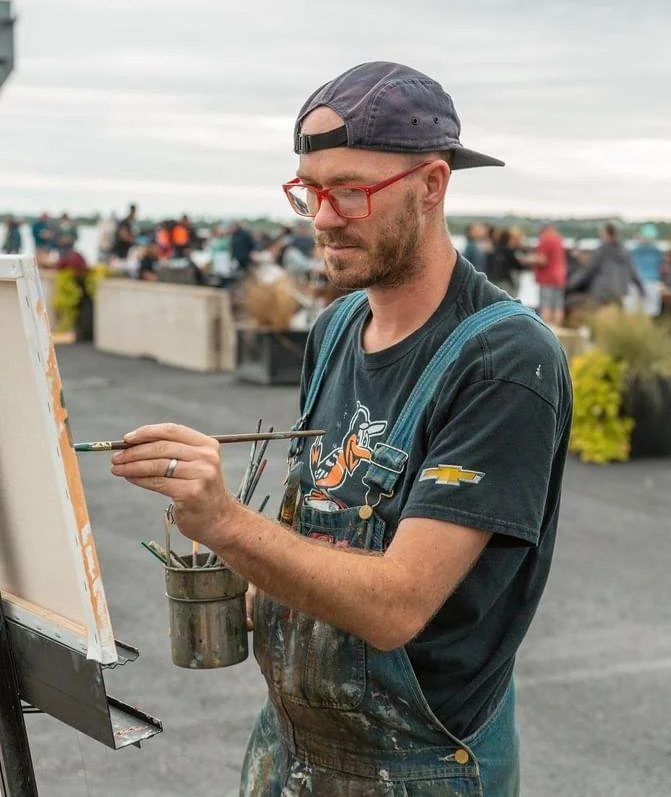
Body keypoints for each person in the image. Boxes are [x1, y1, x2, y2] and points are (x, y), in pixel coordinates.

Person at [110, 61, 572, 796]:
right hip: (291, 747)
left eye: (351, 191)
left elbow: (396, 604)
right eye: (309, 191)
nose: (323, 218)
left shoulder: (504, 360)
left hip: (420, 767)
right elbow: (320, 516)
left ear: (431, 185)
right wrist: (238, 587)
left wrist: (226, 522)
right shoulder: (336, 328)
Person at [567, 222, 645, 307]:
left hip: (601, 294)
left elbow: (588, 272)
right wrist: (642, 290)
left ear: (605, 234)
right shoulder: (624, 252)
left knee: (572, 301)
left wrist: (569, 285)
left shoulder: (601, 251)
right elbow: (633, 273)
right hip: (619, 294)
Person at [532, 222, 567, 326]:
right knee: (558, 305)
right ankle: (557, 328)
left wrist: (528, 259)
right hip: (560, 276)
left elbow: (542, 260)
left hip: (547, 277)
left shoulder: (545, 240)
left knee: (546, 304)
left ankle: (546, 328)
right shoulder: (559, 239)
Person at [628, 223, 664, 316]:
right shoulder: (657, 251)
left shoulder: (634, 249)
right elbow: (661, 266)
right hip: (651, 282)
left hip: (637, 282)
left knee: (633, 311)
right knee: (650, 311)